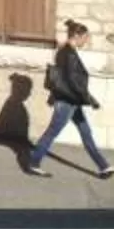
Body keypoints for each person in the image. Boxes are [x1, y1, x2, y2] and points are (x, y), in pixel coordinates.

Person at [26, 18, 109, 178]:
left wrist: (86, 98)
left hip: (72, 100)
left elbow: (65, 78)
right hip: (67, 101)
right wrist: (89, 99)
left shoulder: (65, 51)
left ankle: (104, 166)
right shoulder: (69, 53)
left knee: (86, 132)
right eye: (85, 37)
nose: (86, 41)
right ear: (77, 36)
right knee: (52, 132)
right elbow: (73, 80)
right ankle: (33, 163)